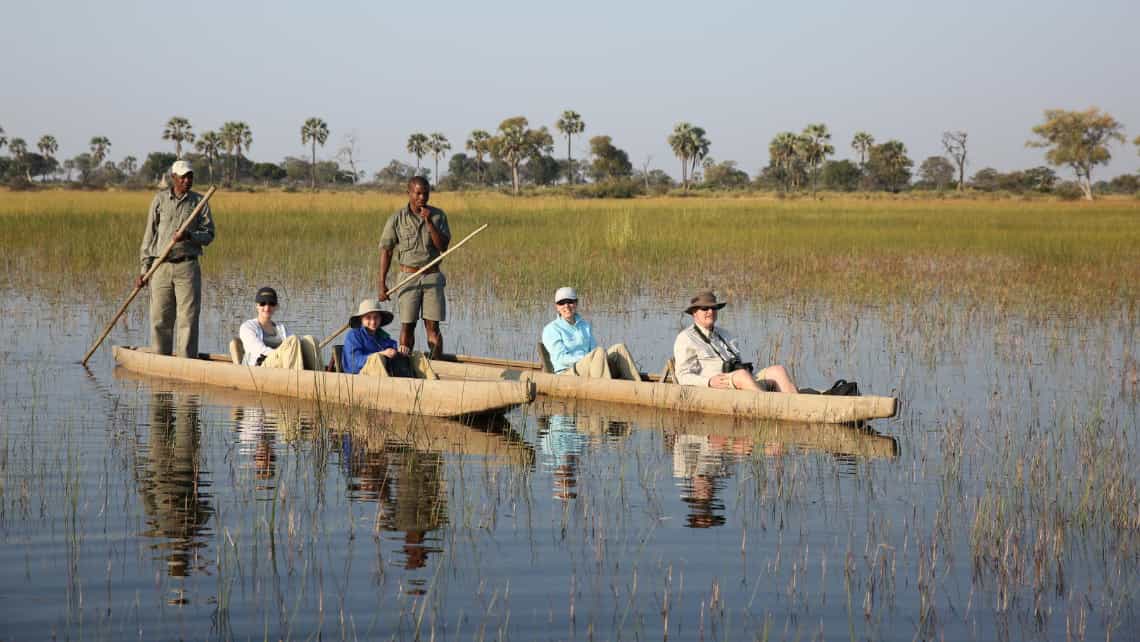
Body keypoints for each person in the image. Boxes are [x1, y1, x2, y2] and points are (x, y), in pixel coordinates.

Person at [136, 160, 215, 358]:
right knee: (160, 318)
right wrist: (144, 271)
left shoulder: (199, 202)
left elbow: (209, 235)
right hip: (160, 267)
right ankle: (161, 360)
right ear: (174, 178)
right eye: (183, 177)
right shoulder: (160, 200)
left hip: (187, 266)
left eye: (190, 177)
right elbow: (149, 236)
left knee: (187, 318)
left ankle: (186, 362)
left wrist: (189, 235)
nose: (187, 180)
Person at [377, 176, 451, 359]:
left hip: (432, 277)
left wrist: (429, 222)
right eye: (418, 193)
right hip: (407, 277)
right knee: (407, 325)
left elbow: (442, 246)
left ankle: (436, 364)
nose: (422, 198)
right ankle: (404, 364)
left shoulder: (438, 216)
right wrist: (382, 284)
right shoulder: (397, 219)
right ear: (409, 193)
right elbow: (387, 251)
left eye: (426, 193)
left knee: (432, 326)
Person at [673, 289, 797, 392]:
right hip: (717, 388)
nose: (710, 311)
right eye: (705, 308)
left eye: (713, 308)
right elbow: (683, 376)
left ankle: (795, 406)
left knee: (777, 370)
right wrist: (709, 382)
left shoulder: (726, 335)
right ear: (694, 313)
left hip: (744, 382)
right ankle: (767, 405)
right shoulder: (686, 338)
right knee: (741, 376)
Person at [541, 286, 639, 380]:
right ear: (557, 307)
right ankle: (603, 390)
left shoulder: (584, 325)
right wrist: (587, 358)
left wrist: (594, 357)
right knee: (598, 352)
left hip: (590, 364)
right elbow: (561, 359)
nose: (566, 306)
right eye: (561, 303)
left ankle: (639, 387)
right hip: (567, 373)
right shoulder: (551, 329)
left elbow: (594, 349)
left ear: (576, 303)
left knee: (619, 348)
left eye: (570, 301)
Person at [342, 299, 437, 378]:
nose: (373, 321)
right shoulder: (354, 335)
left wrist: (401, 351)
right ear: (361, 319)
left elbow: (393, 350)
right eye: (368, 318)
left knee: (417, 355)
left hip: (386, 374)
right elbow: (354, 362)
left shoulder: (383, 336)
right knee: (376, 358)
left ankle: (432, 384)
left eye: (376, 317)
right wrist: (380, 354)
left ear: (380, 319)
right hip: (360, 377)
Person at [237, 287, 320, 369]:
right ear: (257, 306)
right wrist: (283, 354)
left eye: (271, 304)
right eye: (263, 303)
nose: (267, 308)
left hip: (282, 364)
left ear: (276, 306)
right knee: (293, 340)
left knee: (310, 340)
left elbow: (296, 346)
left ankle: (320, 377)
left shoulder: (281, 328)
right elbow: (258, 351)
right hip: (260, 367)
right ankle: (295, 379)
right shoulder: (247, 327)